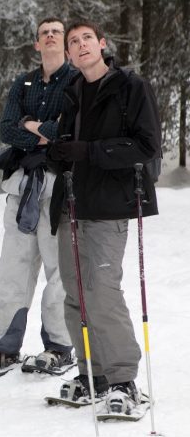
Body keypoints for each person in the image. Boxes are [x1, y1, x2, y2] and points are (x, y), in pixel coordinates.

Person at [46, 22, 160, 413]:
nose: (79, 46)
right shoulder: (71, 93)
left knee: (102, 293)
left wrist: (89, 152)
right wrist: (59, 151)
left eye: (85, 39)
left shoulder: (130, 87)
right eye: (72, 42)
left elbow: (146, 146)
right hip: (72, 206)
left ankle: (123, 380)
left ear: (102, 44)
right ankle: (90, 373)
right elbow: (67, 147)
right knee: (75, 297)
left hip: (109, 207)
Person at [0, 18, 75, 374]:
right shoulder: (23, 83)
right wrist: (39, 132)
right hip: (22, 186)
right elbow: (6, 130)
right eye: (44, 33)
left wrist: (30, 126)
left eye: (56, 32)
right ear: (36, 44)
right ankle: (3, 346)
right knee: (13, 269)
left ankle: (60, 345)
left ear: (65, 43)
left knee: (59, 269)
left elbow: (66, 132)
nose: (49, 36)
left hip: (59, 186)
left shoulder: (76, 81)